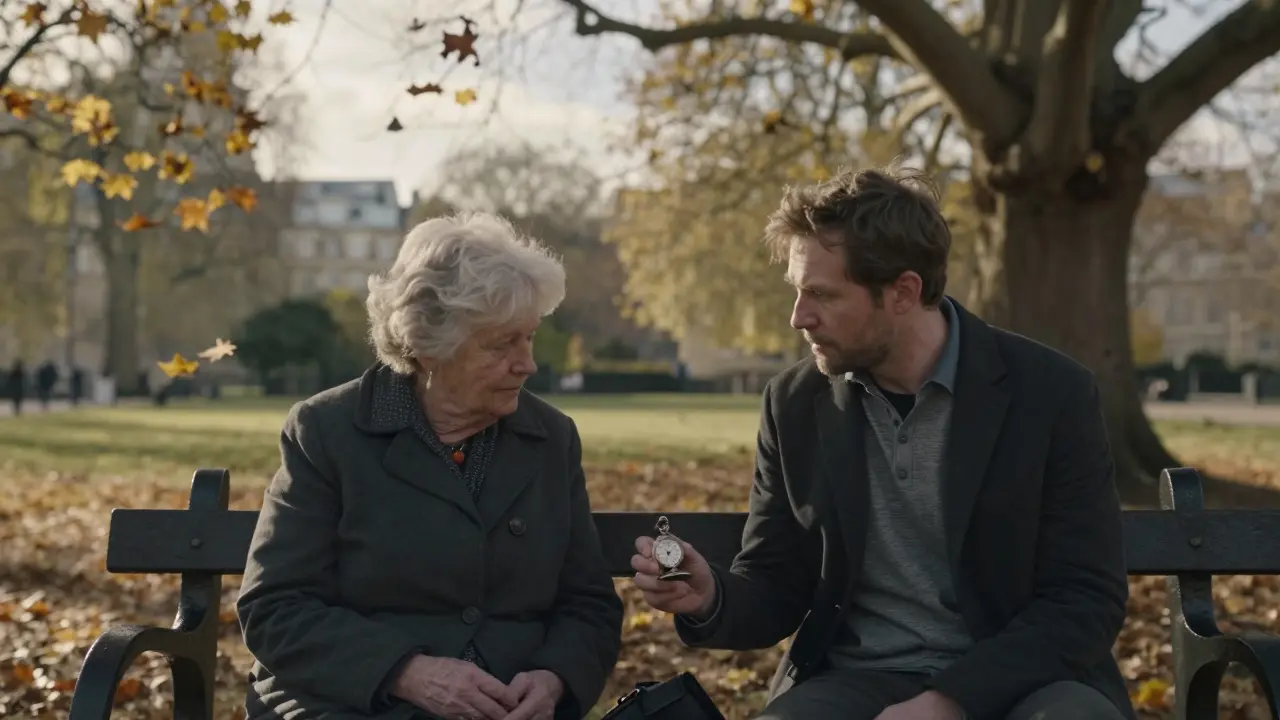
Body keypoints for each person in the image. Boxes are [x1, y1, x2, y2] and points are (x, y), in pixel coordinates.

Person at [630, 165, 1132, 720]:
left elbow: (1083, 600)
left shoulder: (1051, 392)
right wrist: (711, 597)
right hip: (855, 678)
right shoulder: (794, 404)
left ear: (903, 292)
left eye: (821, 294)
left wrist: (948, 702)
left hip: (1027, 681)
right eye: (797, 292)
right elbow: (777, 580)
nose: (799, 317)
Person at [237, 211, 624, 720]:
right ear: (427, 346)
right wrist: (407, 673)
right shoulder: (327, 431)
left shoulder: (550, 438)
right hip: (352, 701)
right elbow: (276, 609)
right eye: (501, 343)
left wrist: (553, 679)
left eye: (528, 337)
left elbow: (588, 605)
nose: (526, 363)